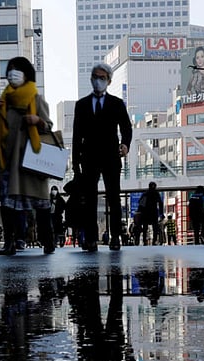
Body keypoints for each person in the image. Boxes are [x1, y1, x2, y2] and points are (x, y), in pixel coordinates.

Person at [0, 56, 55, 256]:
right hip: (8, 161)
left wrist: (37, 120)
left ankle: (47, 241)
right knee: (8, 205)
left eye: (17, 69)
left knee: (41, 204)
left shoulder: (35, 98)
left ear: (26, 74)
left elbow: (48, 126)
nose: (12, 74)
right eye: (10, 70)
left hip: (32, 161)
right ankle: (10, 242)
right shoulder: (3, 100)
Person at [72, 62, 133, 252]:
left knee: (114, 198)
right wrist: (75, 164)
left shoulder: (116, 104)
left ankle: (115, 237)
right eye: (95, 77)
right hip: (88, 157)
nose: (98, 81)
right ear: (91, 79)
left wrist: (125, 144)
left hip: (110, 157)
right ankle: (90, 239)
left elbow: (126, 127)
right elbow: (76, 135)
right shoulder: (81, 105)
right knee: (89, 200)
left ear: (109, 81)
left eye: (102, 78)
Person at [137, 182, 163, 246]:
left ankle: (144, 241)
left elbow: (140, 203)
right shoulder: (156, 193)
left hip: (146, 213)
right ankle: (154, 241)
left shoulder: (145, 193)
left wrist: (139, 211)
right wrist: (161, 213)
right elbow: (160, 203)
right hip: (154, 212)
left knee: (145, 228)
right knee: (155, 228)